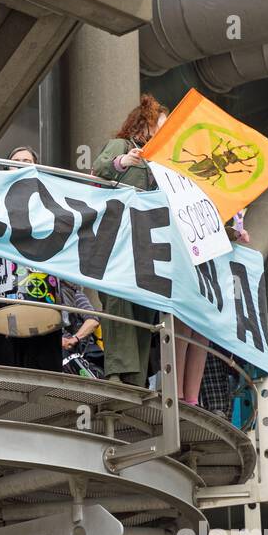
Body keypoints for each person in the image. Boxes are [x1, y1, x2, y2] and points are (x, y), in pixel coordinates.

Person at [93, 94, 173, 390]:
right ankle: (116, 373)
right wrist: (123, 162)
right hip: (116, 238)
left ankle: (137, 378)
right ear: (145, 125)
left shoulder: (162, 164)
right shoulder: (123, 145)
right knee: (117, 302)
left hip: (147, 244)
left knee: (143, 307)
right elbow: (99, 169)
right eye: (160, 125)